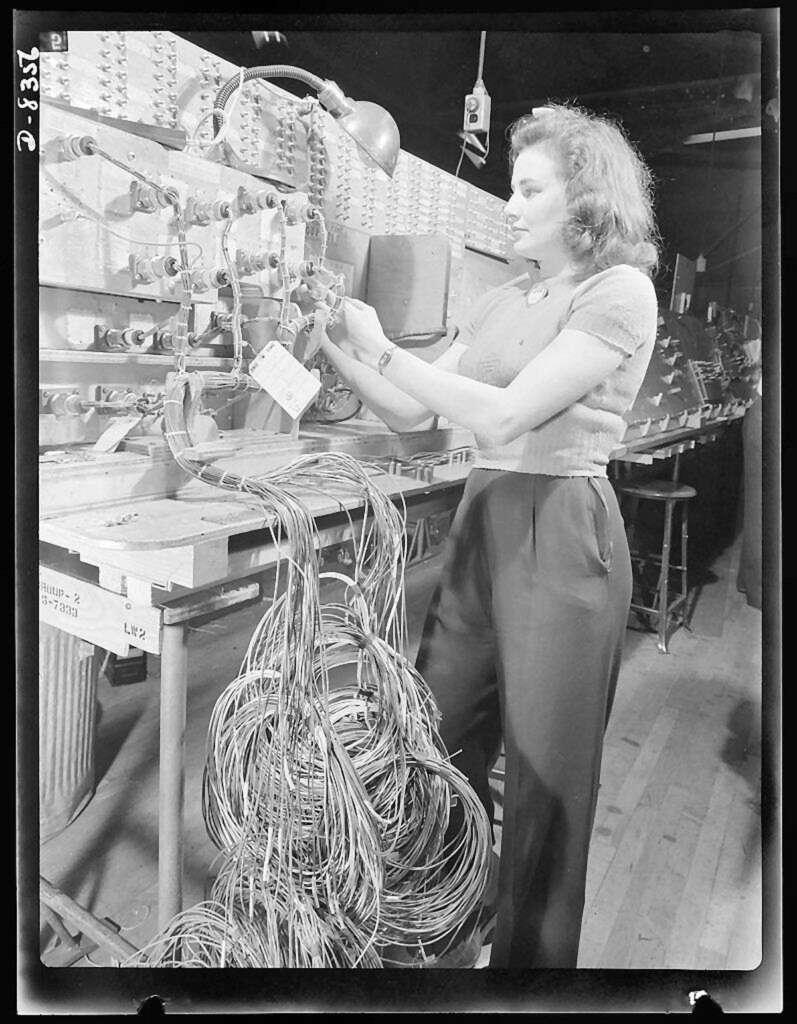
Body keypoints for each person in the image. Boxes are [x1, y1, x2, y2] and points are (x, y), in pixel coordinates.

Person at [312, 103, 660, 968]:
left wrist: (387, 352)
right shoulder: (505, 296)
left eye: (527, 189)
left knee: (546, 782)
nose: (508, 205)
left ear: (583, 203)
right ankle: (440, 929)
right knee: (439, 739)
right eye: (512, 187)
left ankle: (527, 978)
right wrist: (335, 344)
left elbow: (505, 412)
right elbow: (413, 408)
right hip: (485, 517)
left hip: (563, 526)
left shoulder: (616, 292)